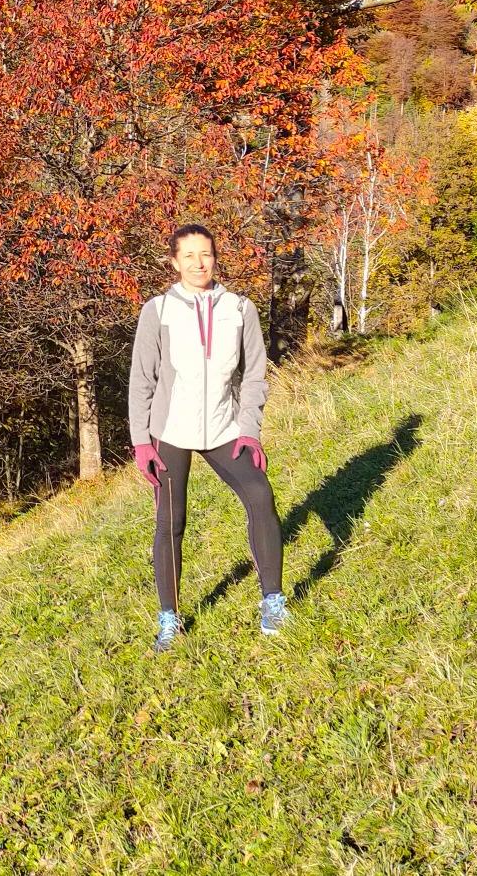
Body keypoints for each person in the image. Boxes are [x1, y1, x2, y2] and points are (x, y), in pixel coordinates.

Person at [126, 222, 287, 650]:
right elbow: (141, 380)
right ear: (174, 262)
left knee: (261, 496)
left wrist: (249, 430)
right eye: (190, 256)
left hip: (224, 428)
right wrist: (142, 440)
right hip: (170, 433)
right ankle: (169, 619)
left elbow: (254, 373)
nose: (200, 263)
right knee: (170, 522)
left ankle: (272, 601)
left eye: (207, 255)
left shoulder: (239, 308)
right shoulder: (157, 311)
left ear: (216, 258)